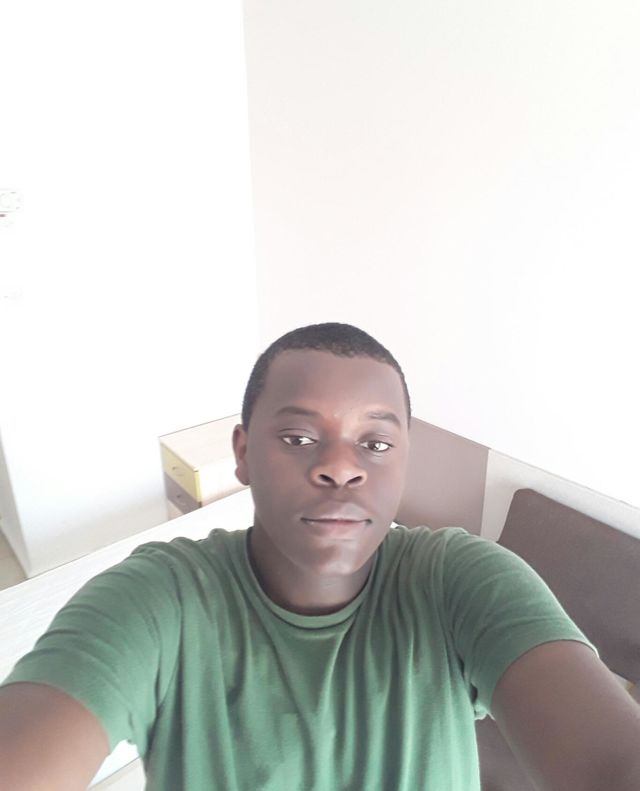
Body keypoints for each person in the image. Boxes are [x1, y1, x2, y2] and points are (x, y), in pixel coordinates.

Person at [1, 322, 639, 791]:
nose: (340, 466)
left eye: (376, 443)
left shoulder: (461, 580)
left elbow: (611, 762)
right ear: (243, 454)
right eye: (299, 436)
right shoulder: (158, 597)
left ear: (405, 462)